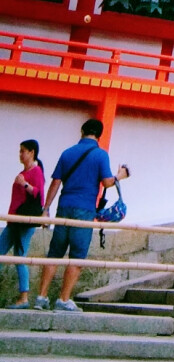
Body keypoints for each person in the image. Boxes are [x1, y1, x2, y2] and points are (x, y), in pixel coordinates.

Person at [36, 118, 126, 310]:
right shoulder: (101, 155)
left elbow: (55, 183)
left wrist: (45, 209)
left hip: (64, 206)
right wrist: (120, 175)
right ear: (99, 136)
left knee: (54, 254)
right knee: (76, 257)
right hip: (84, 209)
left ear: (82, 131)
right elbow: (107, 182)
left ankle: (41, 297)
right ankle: (63, 299)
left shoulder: (67, 153)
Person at [1, 140, 44, 307]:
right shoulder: (23, 172)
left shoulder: (36, 172)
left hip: (24, 222)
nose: (20, 154)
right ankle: (23, 297)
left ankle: (24, 297)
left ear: (32, 152)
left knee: (20, 256)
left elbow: (38, 195)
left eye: (23, 151)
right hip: (14, 220)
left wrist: (24, 184)